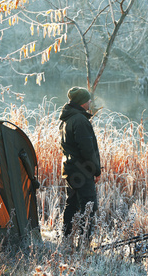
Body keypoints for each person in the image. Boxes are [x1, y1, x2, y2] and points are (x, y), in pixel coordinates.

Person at [59, 86, 101, 239]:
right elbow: (87, 151)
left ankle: (66, 237)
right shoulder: (80, 120)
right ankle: (85, 242)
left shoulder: (67, 119)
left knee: (72, 204)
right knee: (89, 206)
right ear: (83, 102)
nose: (90, 101)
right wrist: (96, 170)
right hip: (82, 171)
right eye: (88, 99)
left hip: (70, 169)